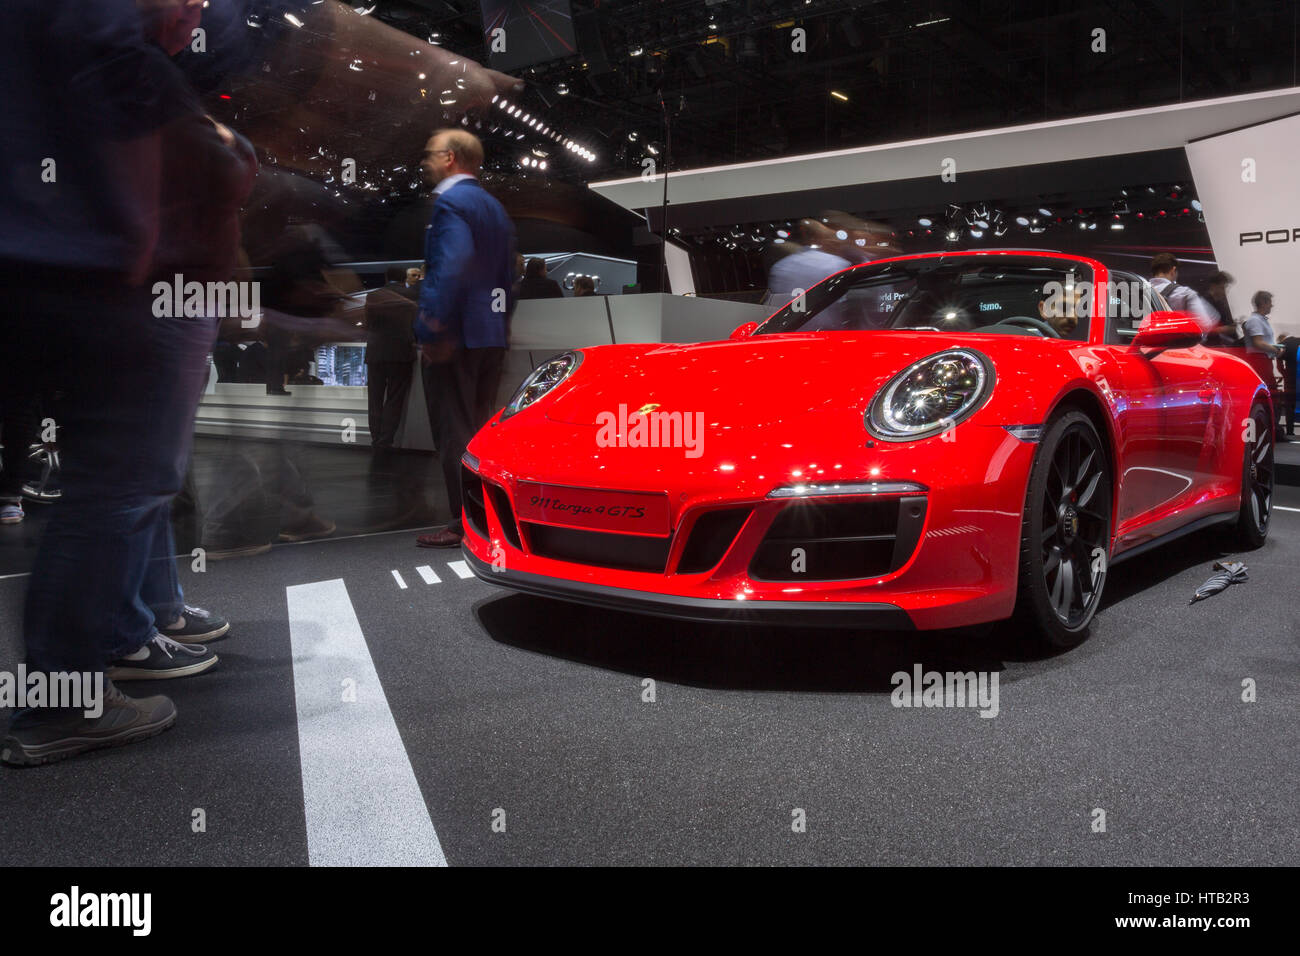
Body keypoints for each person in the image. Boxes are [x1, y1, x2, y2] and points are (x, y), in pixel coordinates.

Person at [413, 129, 517, 549]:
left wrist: (432, 327)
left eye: (429, 153)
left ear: (451, 158)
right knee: (480, 429)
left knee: (454, 432)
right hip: (489, 334)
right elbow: (508, 276)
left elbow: (450, 267)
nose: (425, 161)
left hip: (455, 336)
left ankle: (463, 524)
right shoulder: (494, 207)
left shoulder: (451, 202)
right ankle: (489, 520)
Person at [364, 266, 418, 449]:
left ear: (386, 278)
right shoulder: (410, 295)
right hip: (401, 353)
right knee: (395, 397)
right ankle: (386, 439)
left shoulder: (373, 296)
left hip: (376, 352)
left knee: (375, 397)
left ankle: (375, 437)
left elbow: (368, 323)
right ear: (404, 278)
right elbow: (417, 323)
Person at [1149, 253, 1229, 338]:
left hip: (1144, 348)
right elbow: (1205, 324)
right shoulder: (1185, 293)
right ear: (1173, 270)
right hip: (1176, 347)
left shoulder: (1138, 292)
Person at [1242, 291, 1287, 439]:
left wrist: (1274, 350)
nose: (1272, 305)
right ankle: (1271, 429)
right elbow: (1258, 342)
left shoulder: (1261, 320)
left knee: (1271, 394)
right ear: (1263, 303)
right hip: (1258, 361)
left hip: (1264, 360)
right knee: (1270, 394)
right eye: (1269, 302)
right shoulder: (1255, 321)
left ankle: (1272, 428)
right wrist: (1275, 349)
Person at [1202, 270, 1240, 346]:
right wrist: (1224, 329)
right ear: (1213, 286)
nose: (1224, 291)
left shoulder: (1220, 303)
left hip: (1219, 343)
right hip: (1208, 346)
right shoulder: (1204, 303)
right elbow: (1202, 329)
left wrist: (1232, 325)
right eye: (1222, 287)